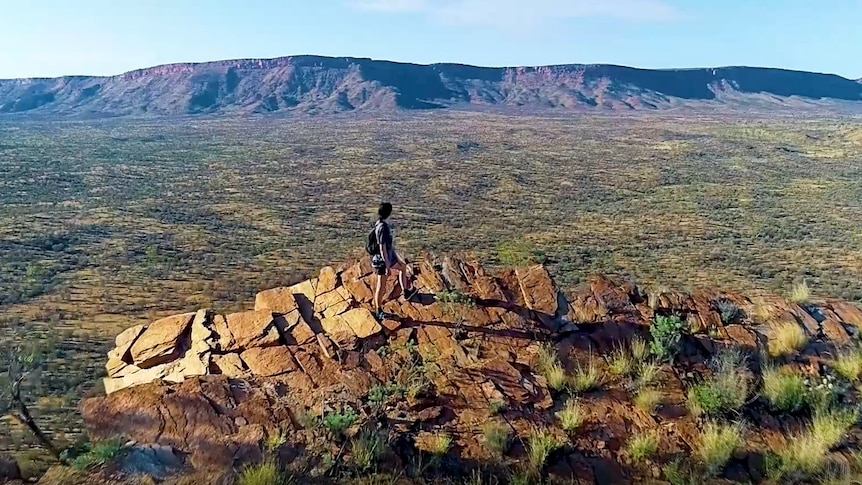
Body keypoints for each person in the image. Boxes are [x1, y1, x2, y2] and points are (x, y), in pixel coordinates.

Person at [372, 202, 418, 320]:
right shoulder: (383, 227)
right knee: (381, 286)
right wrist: (387, 266)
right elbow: (382, 248)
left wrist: (395, 258)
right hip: (382, 261)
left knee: (402, 267)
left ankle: (406, 291)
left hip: (388, 258)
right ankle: (378, 311)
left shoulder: (379, 224)